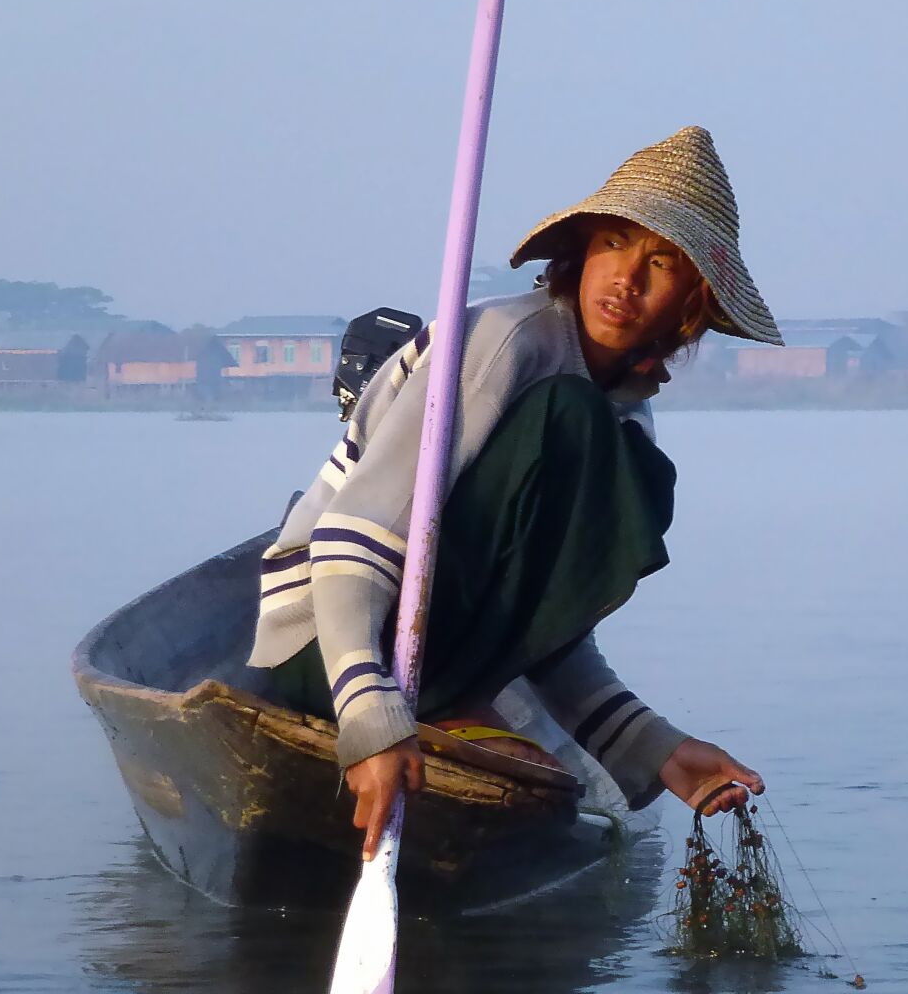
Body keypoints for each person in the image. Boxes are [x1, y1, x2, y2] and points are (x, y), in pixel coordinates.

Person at [246, 125, 783, 858]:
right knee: (572, 417)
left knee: (634, 469)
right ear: (581, 252)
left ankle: (453, 702)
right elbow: (352, 537)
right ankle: (444, 704)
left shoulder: (624, 419)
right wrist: (370, 716)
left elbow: (543, 627)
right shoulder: (507, 342)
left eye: (660, 263)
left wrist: (654, 746)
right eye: (614, 245)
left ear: (691, 301)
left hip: (435, 656)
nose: (626, 279)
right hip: (325, 647)